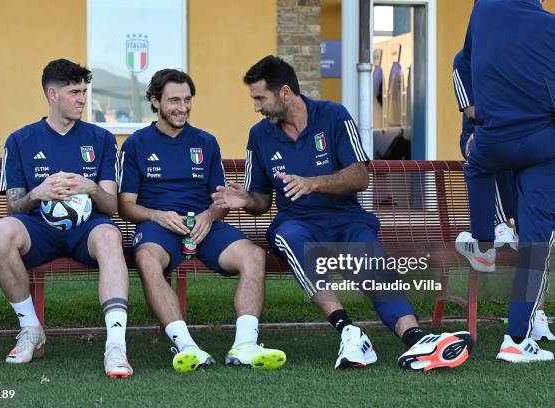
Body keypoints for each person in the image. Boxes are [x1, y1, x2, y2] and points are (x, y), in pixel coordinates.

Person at [212, 55, 473, 371]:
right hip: (297, 223)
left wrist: (314, 183)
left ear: (283, 93)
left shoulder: (334, 116)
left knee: (375, 269)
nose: (256, 107)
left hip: (346, 220)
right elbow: (261, 201)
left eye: (259, 98)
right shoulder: (260, 135)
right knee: (287, 236)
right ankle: (349, 330)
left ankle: (416, 340)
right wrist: (245, 199)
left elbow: (361, 177)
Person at [118, 69, 286, 372]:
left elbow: (220, 199)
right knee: (146, 258)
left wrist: (210, 216)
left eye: (187, 100)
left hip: (204, 226)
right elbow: (126, 206)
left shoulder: (206, 142)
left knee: (253, 254)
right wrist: (157, 214)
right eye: (173, 101)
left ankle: (245, 345)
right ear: (155, 102)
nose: (182, 107)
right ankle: (186, 346)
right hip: (159, 226)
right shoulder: (136, 144)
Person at [0, 59, 133, 378]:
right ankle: (30, 328)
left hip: (87, 230)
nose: (83, 99)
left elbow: (111, 207)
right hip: (39, 228)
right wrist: (37, 193)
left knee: (110, 235)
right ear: (53, 94)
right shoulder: (20, 140)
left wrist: (90, 187)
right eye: (75, 92)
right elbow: (15, 207)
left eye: (84, 91)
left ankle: (116, 345)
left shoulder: (102, 139)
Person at [461, 0, 554, 361]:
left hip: (493, 136)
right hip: (545, 143)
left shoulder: (482, 8)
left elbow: (466, 61)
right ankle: (516, 339)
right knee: (536, 246)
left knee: (477, 169)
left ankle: (482, 246)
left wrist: (481, 114)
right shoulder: (549, 26)